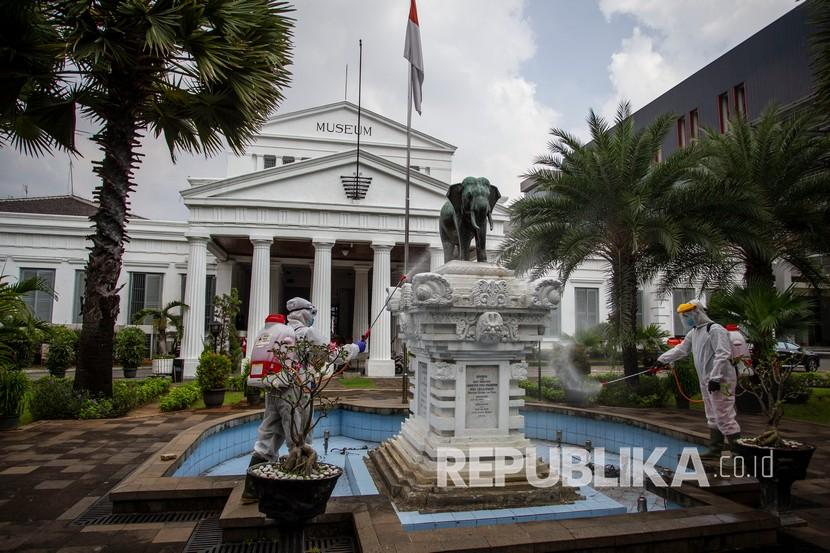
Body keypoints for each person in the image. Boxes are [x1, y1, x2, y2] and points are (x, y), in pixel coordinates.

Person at [241, 298, 367, 503]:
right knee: (300, 440)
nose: (314, 317)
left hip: (274, 389)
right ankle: (300, 494)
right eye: (312, 312)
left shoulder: (278, 331)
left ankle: (251, 491)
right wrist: (357, 347)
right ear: (304, 313)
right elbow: (334, 355)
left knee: (268, 437)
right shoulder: (307, 333)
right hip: (296, 392)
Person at [657, 299, 740, 458]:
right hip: (707, 380)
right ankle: (715, 449)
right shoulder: (694, 332)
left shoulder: (715, 330)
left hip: (722, 380)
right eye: (683, 316)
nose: (685, 319)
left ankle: (739, 453)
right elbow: (681, 349)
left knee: (724, 414)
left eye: (687, 315)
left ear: (697, 313)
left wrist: (716, 378)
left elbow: (723, 353)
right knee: (712, 414)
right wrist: (661, 360)